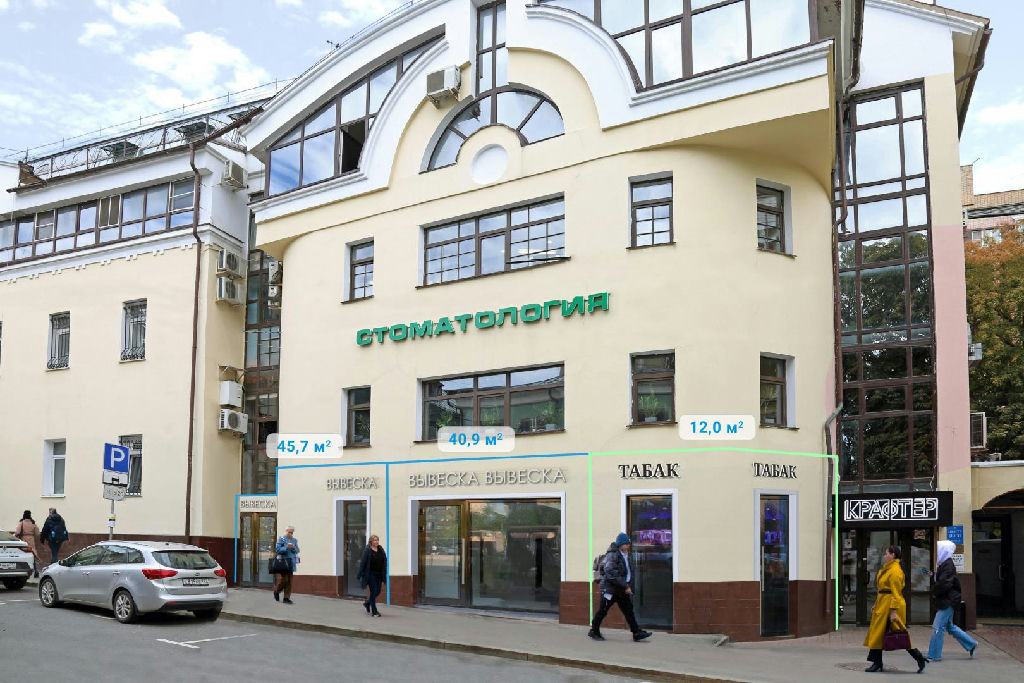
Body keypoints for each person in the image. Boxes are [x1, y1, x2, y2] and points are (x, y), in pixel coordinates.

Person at [864, 545, 927, 673]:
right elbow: (883, 590)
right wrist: (876, 603)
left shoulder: (895, 571)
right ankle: (877, 662)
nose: (884, 555)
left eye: (886, 553)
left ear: (893, 555)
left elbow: (896, 593)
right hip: (883, 604)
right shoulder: (888, 569)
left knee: (899, 633)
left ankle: (919, 657)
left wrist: (893, 611)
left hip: (891, 606)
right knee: (877, 634)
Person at [588, 532, 652, 642]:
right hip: (610, 589)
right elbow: (610, 572)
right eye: (626, 544)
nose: (628, 546)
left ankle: (636, 632)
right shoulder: (613, 555)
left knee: (628, 611)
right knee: (603, 611)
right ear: (620, 544)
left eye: (628, 544)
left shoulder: (627, 555)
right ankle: (594, 631)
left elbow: (628, 572)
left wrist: (628, 586)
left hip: (621, 589)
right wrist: (625, 586)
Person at [926, 539, 978, 661]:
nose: (937, 553)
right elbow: (944, 581)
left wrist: (934, 589)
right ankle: (971, 644)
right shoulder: (945, 564)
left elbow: (944, 584)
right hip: (948, 600)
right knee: (949, 626)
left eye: (938, 550)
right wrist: (934, 577)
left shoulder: (947, 566)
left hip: (948, 600)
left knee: (938, 627)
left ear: (943, 551)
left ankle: (934, 655)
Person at [356, 534, 387, 617]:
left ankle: (367, 603)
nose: (376, 542)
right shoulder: (367, 550)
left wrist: (384, 573)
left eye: (377, 540)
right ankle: (374, 612)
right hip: (370, 574)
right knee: (373, 591)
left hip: (379, 574)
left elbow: (384, 561)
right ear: (371, 541)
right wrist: (359, 574)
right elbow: (363, 563)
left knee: (378, 591)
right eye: (375, 540)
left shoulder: (380, 549)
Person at [273, 526, 300, 605]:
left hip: (291, 563)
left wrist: (293, 547)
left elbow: (297, 550)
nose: (290, 534)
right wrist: (286, 547)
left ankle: (286, 598)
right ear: (286, 531)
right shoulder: (281, 539)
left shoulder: (294, 540)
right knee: (284, 580)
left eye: (292, 532)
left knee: (289, 582)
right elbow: (277, 550)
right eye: (289, 532)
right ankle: (277, 591)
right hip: (283, 563)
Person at [15, 510, 42, 577]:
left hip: (23, 540)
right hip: (31, 540)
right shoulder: (33, 523)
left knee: (23, 554)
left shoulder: (21, 523)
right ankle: (36, 571)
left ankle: (22, 570)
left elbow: (17, 532)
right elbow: (37, 533)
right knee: (33, 555)